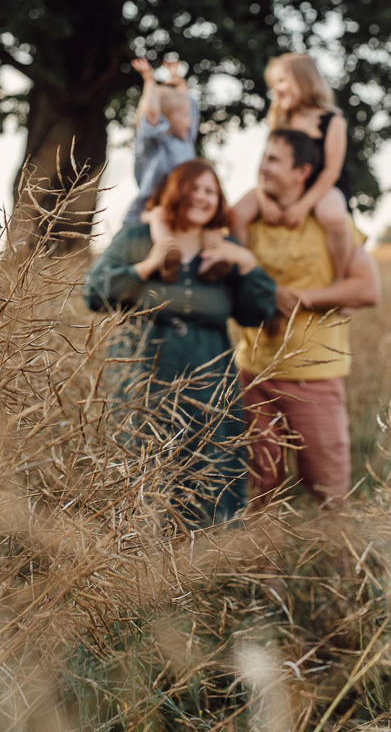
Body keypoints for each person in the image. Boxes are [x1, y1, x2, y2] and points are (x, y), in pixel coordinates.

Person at [85, 159, 276, 526]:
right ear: (174, 191)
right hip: (144, 379)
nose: (202, 197)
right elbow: (93, 293)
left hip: (209, 381)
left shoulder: (224, 247)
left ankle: (203, 569)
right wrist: (148, 265)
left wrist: (247, 262)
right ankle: (138, 565)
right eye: (194, 188)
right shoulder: (137, 238)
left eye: (210, 190)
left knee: (209, 470)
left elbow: (258, 313)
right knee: (143, 469)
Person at [234, 129, 380, 509]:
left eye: (274, 160)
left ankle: (344, 565)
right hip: (254, 372)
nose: (262, 167)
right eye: (263, 157)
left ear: (302, 171)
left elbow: (367, 289)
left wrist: (303, 299)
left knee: (327, 486)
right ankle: (260, 569)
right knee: (260, 483)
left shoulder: (330, 222)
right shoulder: (249, 220)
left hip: (314, 375)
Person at [232, 53, 353, 278]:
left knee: (335, 218)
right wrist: (264, 198)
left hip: (322, 186)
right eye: (273, 84)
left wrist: (304, 205)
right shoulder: (280, 118)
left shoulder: (332, 120)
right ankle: (244, 274)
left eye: (281, 81)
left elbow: (331, 171)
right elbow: (265, 163)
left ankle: (341, 276)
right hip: (281, 185)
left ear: (304, 80)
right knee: (236, 214)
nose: (276, 89)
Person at [125, 56, 224, 282]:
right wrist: (150, 81)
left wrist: (177, 81)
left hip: (184, 203)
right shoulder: (153, 145)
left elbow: (191, 106)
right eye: (184, 115)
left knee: (210, 225)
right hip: (156, 204)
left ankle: (213, 261)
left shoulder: (185, 140)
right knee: (160, 217)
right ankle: (167, 256)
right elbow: (150, 116)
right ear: (167, 119)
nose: (191, 119)